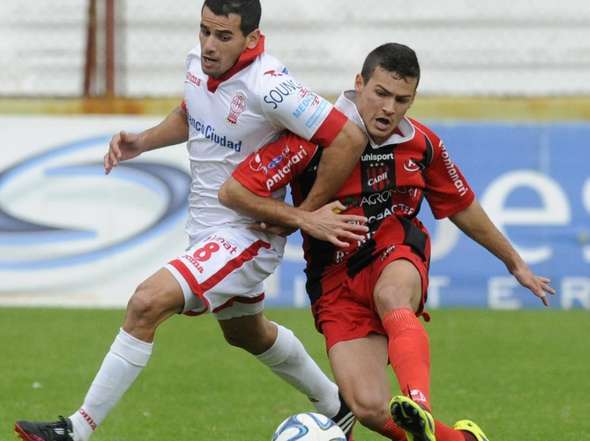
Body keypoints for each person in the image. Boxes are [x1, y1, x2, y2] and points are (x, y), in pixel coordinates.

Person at [14, 1, 369, 441]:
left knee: (146, 302)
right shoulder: (197, 64)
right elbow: (192, 113)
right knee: (246, 333)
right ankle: (337, 406)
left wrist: (304, 215)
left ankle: (76, 429)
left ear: (252, 39)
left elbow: (347, 137)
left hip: (247, 235)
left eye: (223, 36)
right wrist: (143, 142)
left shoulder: (271, 87)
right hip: (205, 229)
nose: (208, 45)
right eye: (204, 31)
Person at [219, 42, 556, 441]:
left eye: (402, 100)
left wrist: (514, 263)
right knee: (368, 407)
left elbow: (462, 205)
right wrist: (297, 217)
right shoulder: (311, 133)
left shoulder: (423, 144)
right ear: (359, 83)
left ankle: (418, 404)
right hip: (334, 277)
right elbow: (236, 192)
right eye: (381, 93)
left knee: (392, 295)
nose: (389, 108)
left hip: (394, 247)